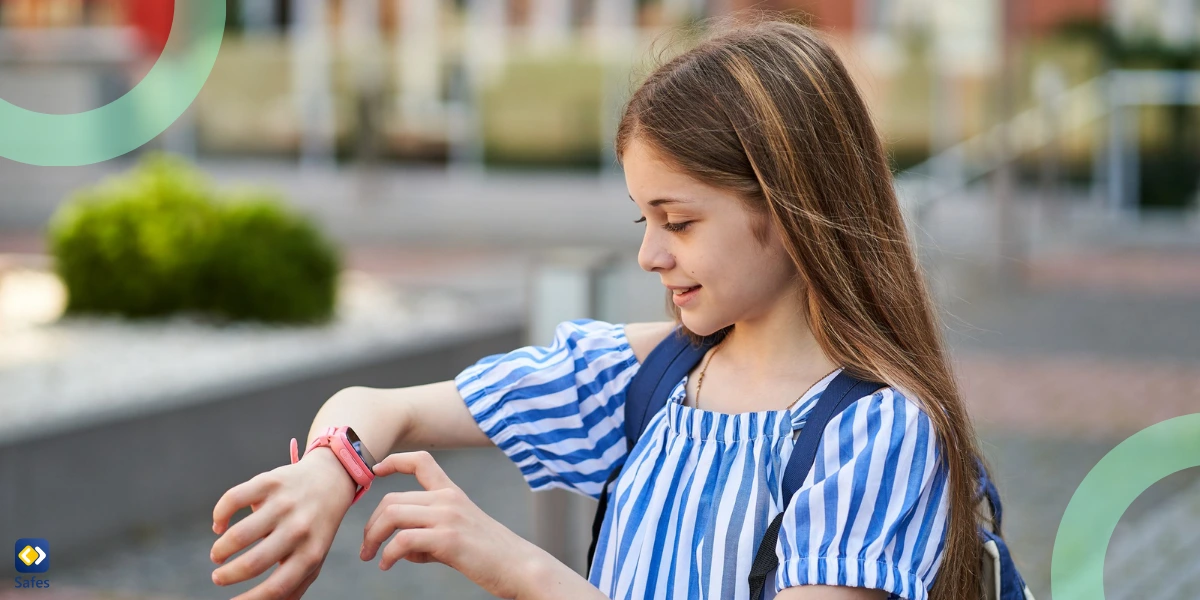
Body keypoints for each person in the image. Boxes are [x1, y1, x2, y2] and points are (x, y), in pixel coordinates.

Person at [209, 16, 990, 600]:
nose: (651, 254)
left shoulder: (877, 433)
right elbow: (381, 408)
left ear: (790, 208)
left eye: (679, 221)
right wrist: (329, 471)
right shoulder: (640, 379)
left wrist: (511, 563)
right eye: (641, 219)